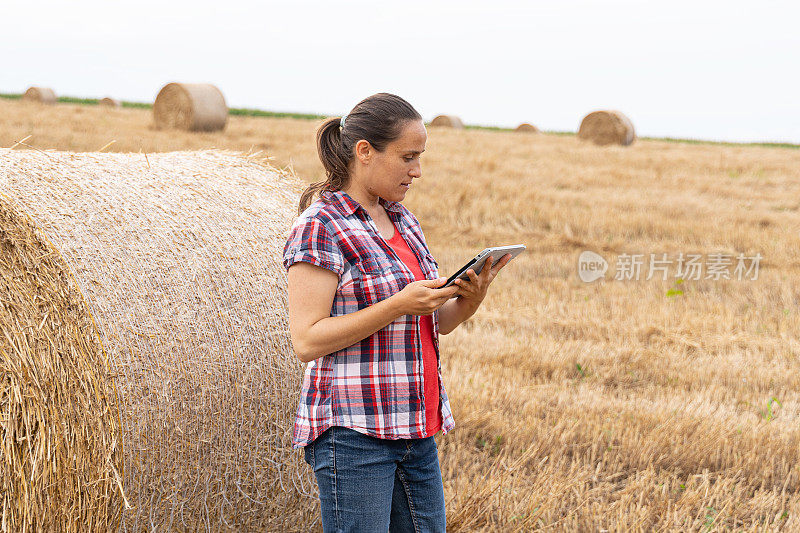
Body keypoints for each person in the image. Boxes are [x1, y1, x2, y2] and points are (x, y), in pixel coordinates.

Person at [283, 93, 511, 533]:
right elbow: (307, 340)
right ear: (364, 152)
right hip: (354, 434)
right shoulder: (322, 225)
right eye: (408, 157)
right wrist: (397, 305)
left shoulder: (403, 220)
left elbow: (432, 323)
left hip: (416, 427)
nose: (417, 170)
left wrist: (470, 298)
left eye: (420, 157)